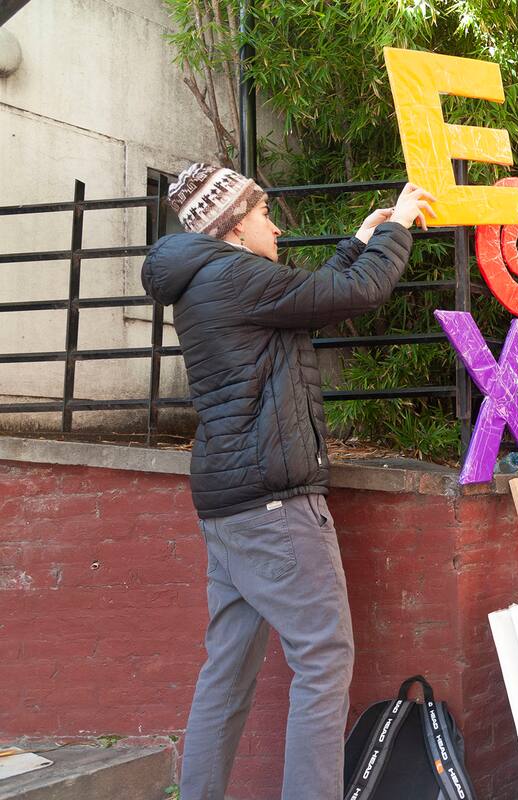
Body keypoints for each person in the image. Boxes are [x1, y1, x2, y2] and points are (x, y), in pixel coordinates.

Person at [141, 163, 433, 800]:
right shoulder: (236, 276)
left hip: (229, 507)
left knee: (226, 675)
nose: (274, 223)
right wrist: (401, 227)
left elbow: (311, 298)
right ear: (236, 226)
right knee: (323, 663)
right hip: (275, 507)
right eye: (264, 212)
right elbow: (354, 296)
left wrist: (359, 241)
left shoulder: (209, 282)